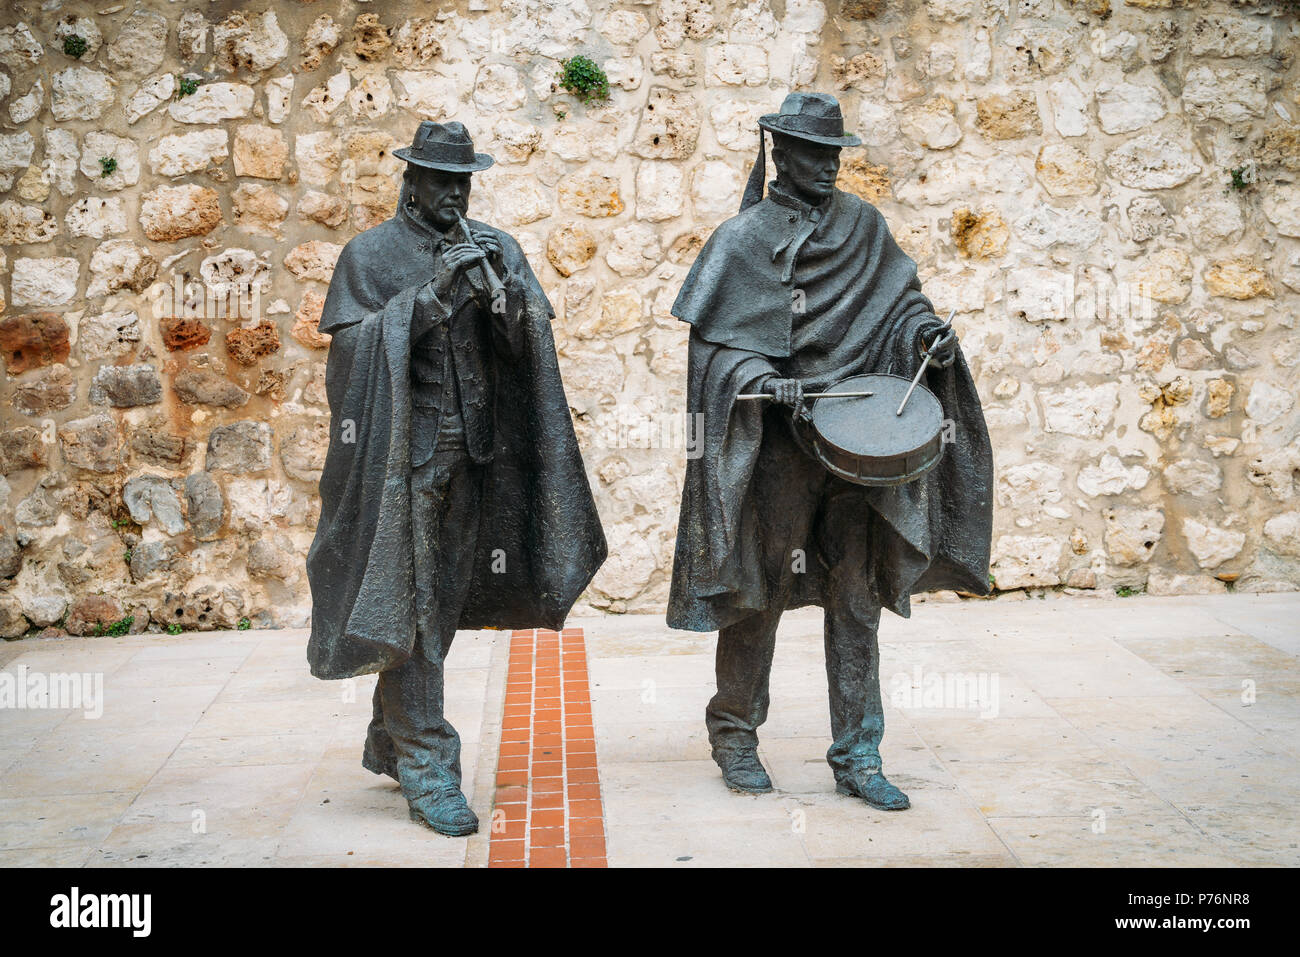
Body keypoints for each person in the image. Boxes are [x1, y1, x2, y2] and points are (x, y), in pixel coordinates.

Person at [667, 93, 994, 810]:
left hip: (861, 448)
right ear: (782, 152)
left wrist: (926, 337)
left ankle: (859, 751)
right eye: (814, 153)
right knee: (763, 591)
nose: (827, 165)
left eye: (834, 153)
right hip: (782, 451)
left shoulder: (863, 226)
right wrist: (761, 379)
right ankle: (734, 733)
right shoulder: (742, 239)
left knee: (857, 596)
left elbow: (902, 306)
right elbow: (715, 351)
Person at [305, 121, 606, 835]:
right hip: (401, 465)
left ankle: (391, 733)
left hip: (474, 457)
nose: (454, 193)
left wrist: (504, 299)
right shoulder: (369, 255)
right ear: (411, 182)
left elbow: (530, 336)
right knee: (410, 600)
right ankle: (428, 761)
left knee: (435, 603)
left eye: (463, 180)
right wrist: (428, 300)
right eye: (441, 180)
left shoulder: (496, 244)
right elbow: (350, 359)